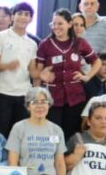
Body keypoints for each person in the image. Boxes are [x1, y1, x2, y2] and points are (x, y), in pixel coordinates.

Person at [34, 8, 99, 139]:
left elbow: (97, 62)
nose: (56, 27)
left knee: (72, 133)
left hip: (75, 97)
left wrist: (87, 76)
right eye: (54, 24)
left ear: (69, 24)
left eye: (60, 23)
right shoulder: (45, 44)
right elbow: (38, 71)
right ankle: (54, 159)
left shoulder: (80, 43)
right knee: (52, 133)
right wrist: (38, 89)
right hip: (52, 98)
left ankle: (69, 158)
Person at [7, 86, 67, 175]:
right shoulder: (19, 128)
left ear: (49, 105)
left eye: (44, 102)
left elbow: (60, 164)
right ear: (28, 106)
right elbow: (13, 164)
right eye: (34, 102)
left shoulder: (56, 130)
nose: (40, 106)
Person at [0, 1, 38, 134]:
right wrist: (7, 66)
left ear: (31, 19)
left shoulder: (32, 43)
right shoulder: (0, 37)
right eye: (19, 13)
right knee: (0, 133)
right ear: (12, 17)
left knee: (19, 134)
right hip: (2, 93)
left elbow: (32, 70)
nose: (23, 17)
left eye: (27, 14)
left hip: (24, 94)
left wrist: (40, 74)